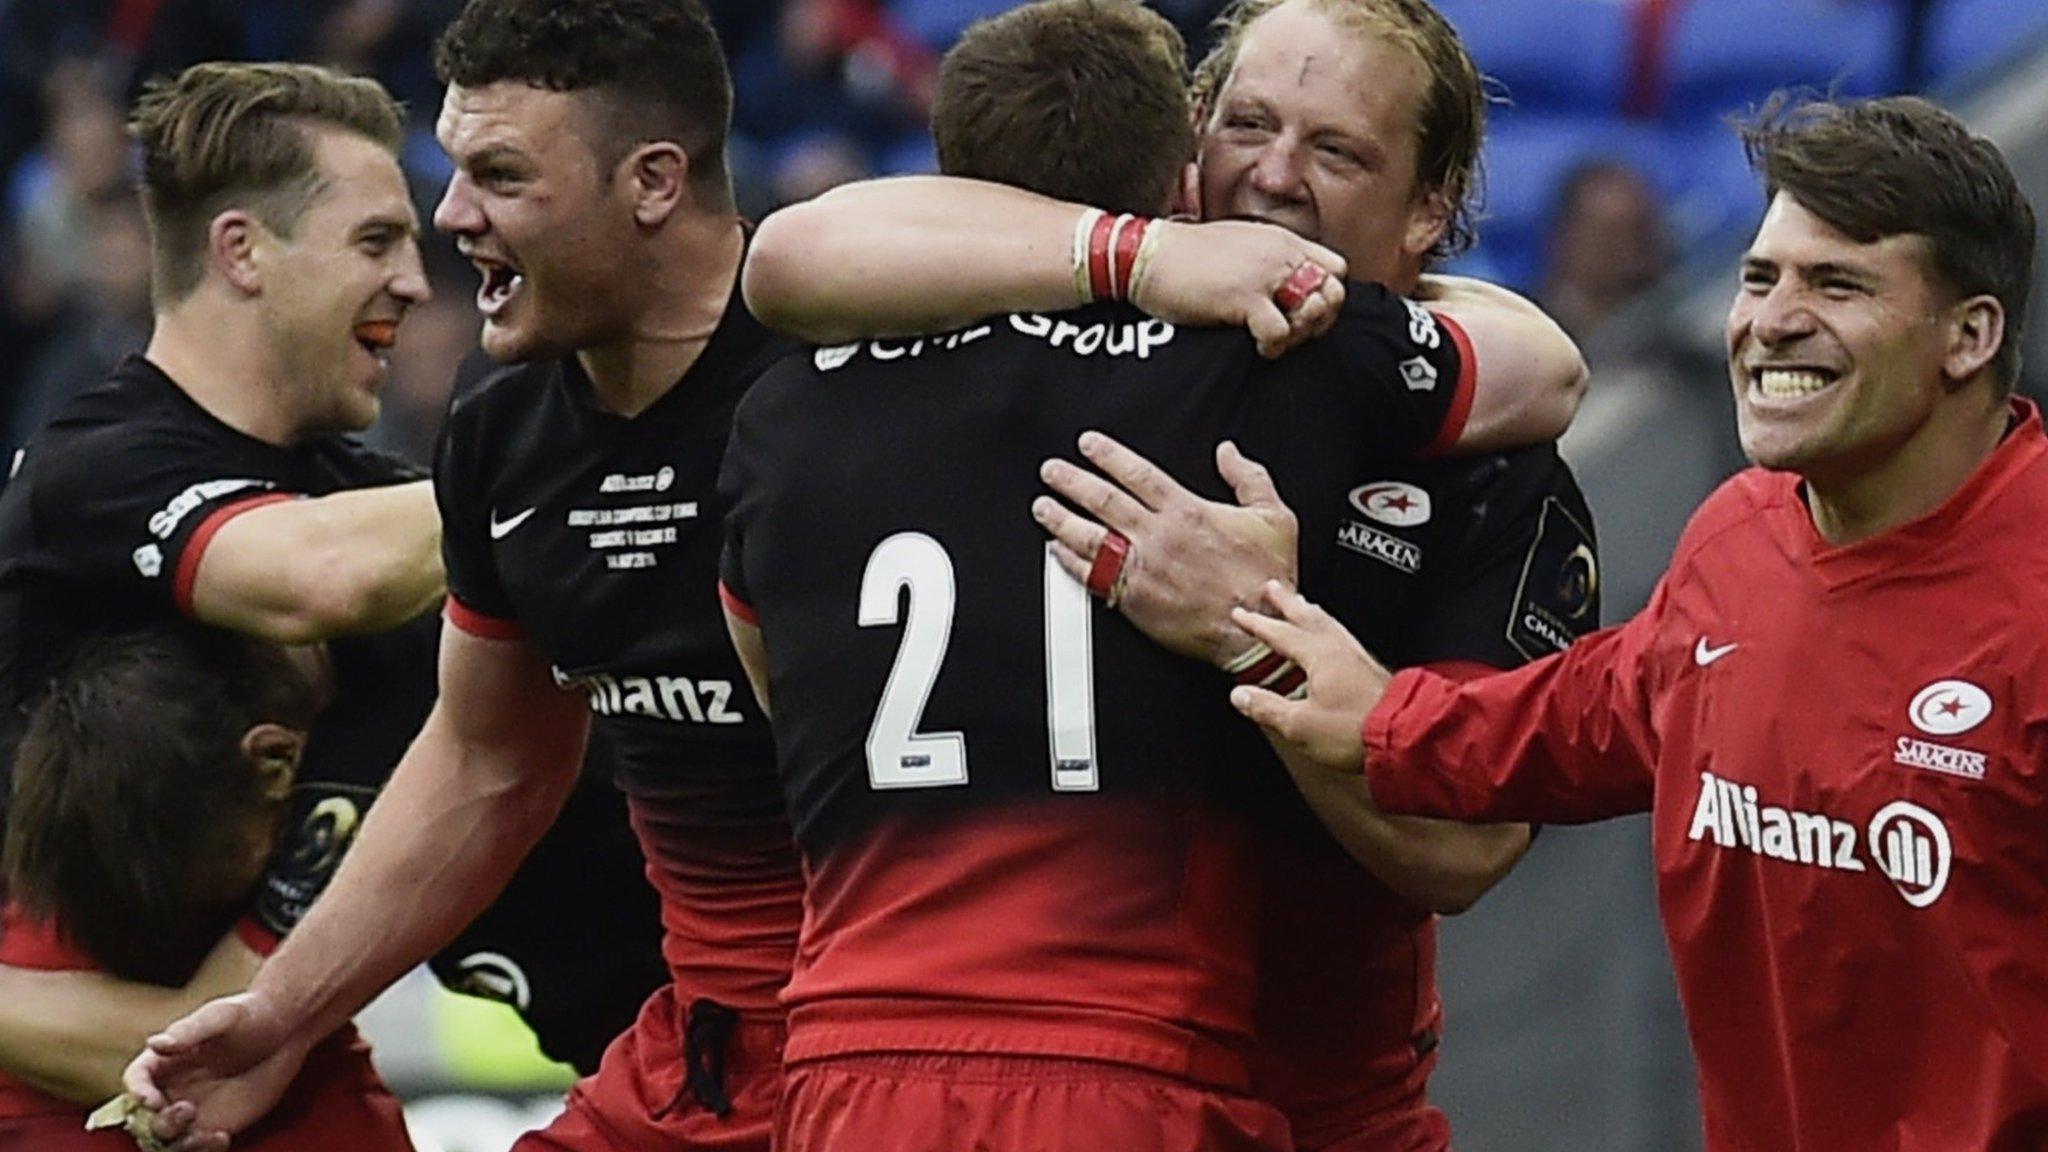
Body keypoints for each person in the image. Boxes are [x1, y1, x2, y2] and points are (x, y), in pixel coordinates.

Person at [120, 0, 1471, 1147]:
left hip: (907, 1044)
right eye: (455, 165)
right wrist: (288, 1009)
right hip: (731, 1048)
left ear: (652, 180)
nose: (450, 216)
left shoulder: (852, 379)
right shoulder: (507, 431)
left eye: (503, 176)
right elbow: (487, 763)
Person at [717, 1, 1591, 1148]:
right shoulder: (1293, 383)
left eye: (1335, 150)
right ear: (1188, 142)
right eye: (1248, 126)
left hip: (1310, 1103)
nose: (1275, 176)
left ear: (1430, 203)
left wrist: (1256, 637)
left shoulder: (1482, 472)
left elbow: (1463, 851)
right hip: (1140, 1070)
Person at [1227, 94, 2048, 1150]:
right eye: (1757, 278)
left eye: (1835, 284)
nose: (1769, 320)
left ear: (1968, 335)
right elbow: (1580, 714)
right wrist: (1362, 703)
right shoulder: (1736, 540)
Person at [0, 61, 439, 1136]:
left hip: (270, 1043)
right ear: (241, 250)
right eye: (376, 241)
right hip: (51, 1067)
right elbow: (320, 576)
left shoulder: (386, 514)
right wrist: (584, 463)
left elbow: (222, 1017)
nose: (417, 282)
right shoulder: (90, 471)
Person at [0, 624, 416, 1152]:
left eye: (204, 898)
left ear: (276, 762)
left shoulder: (386, 707)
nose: (167, 928)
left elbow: (199, 1036)